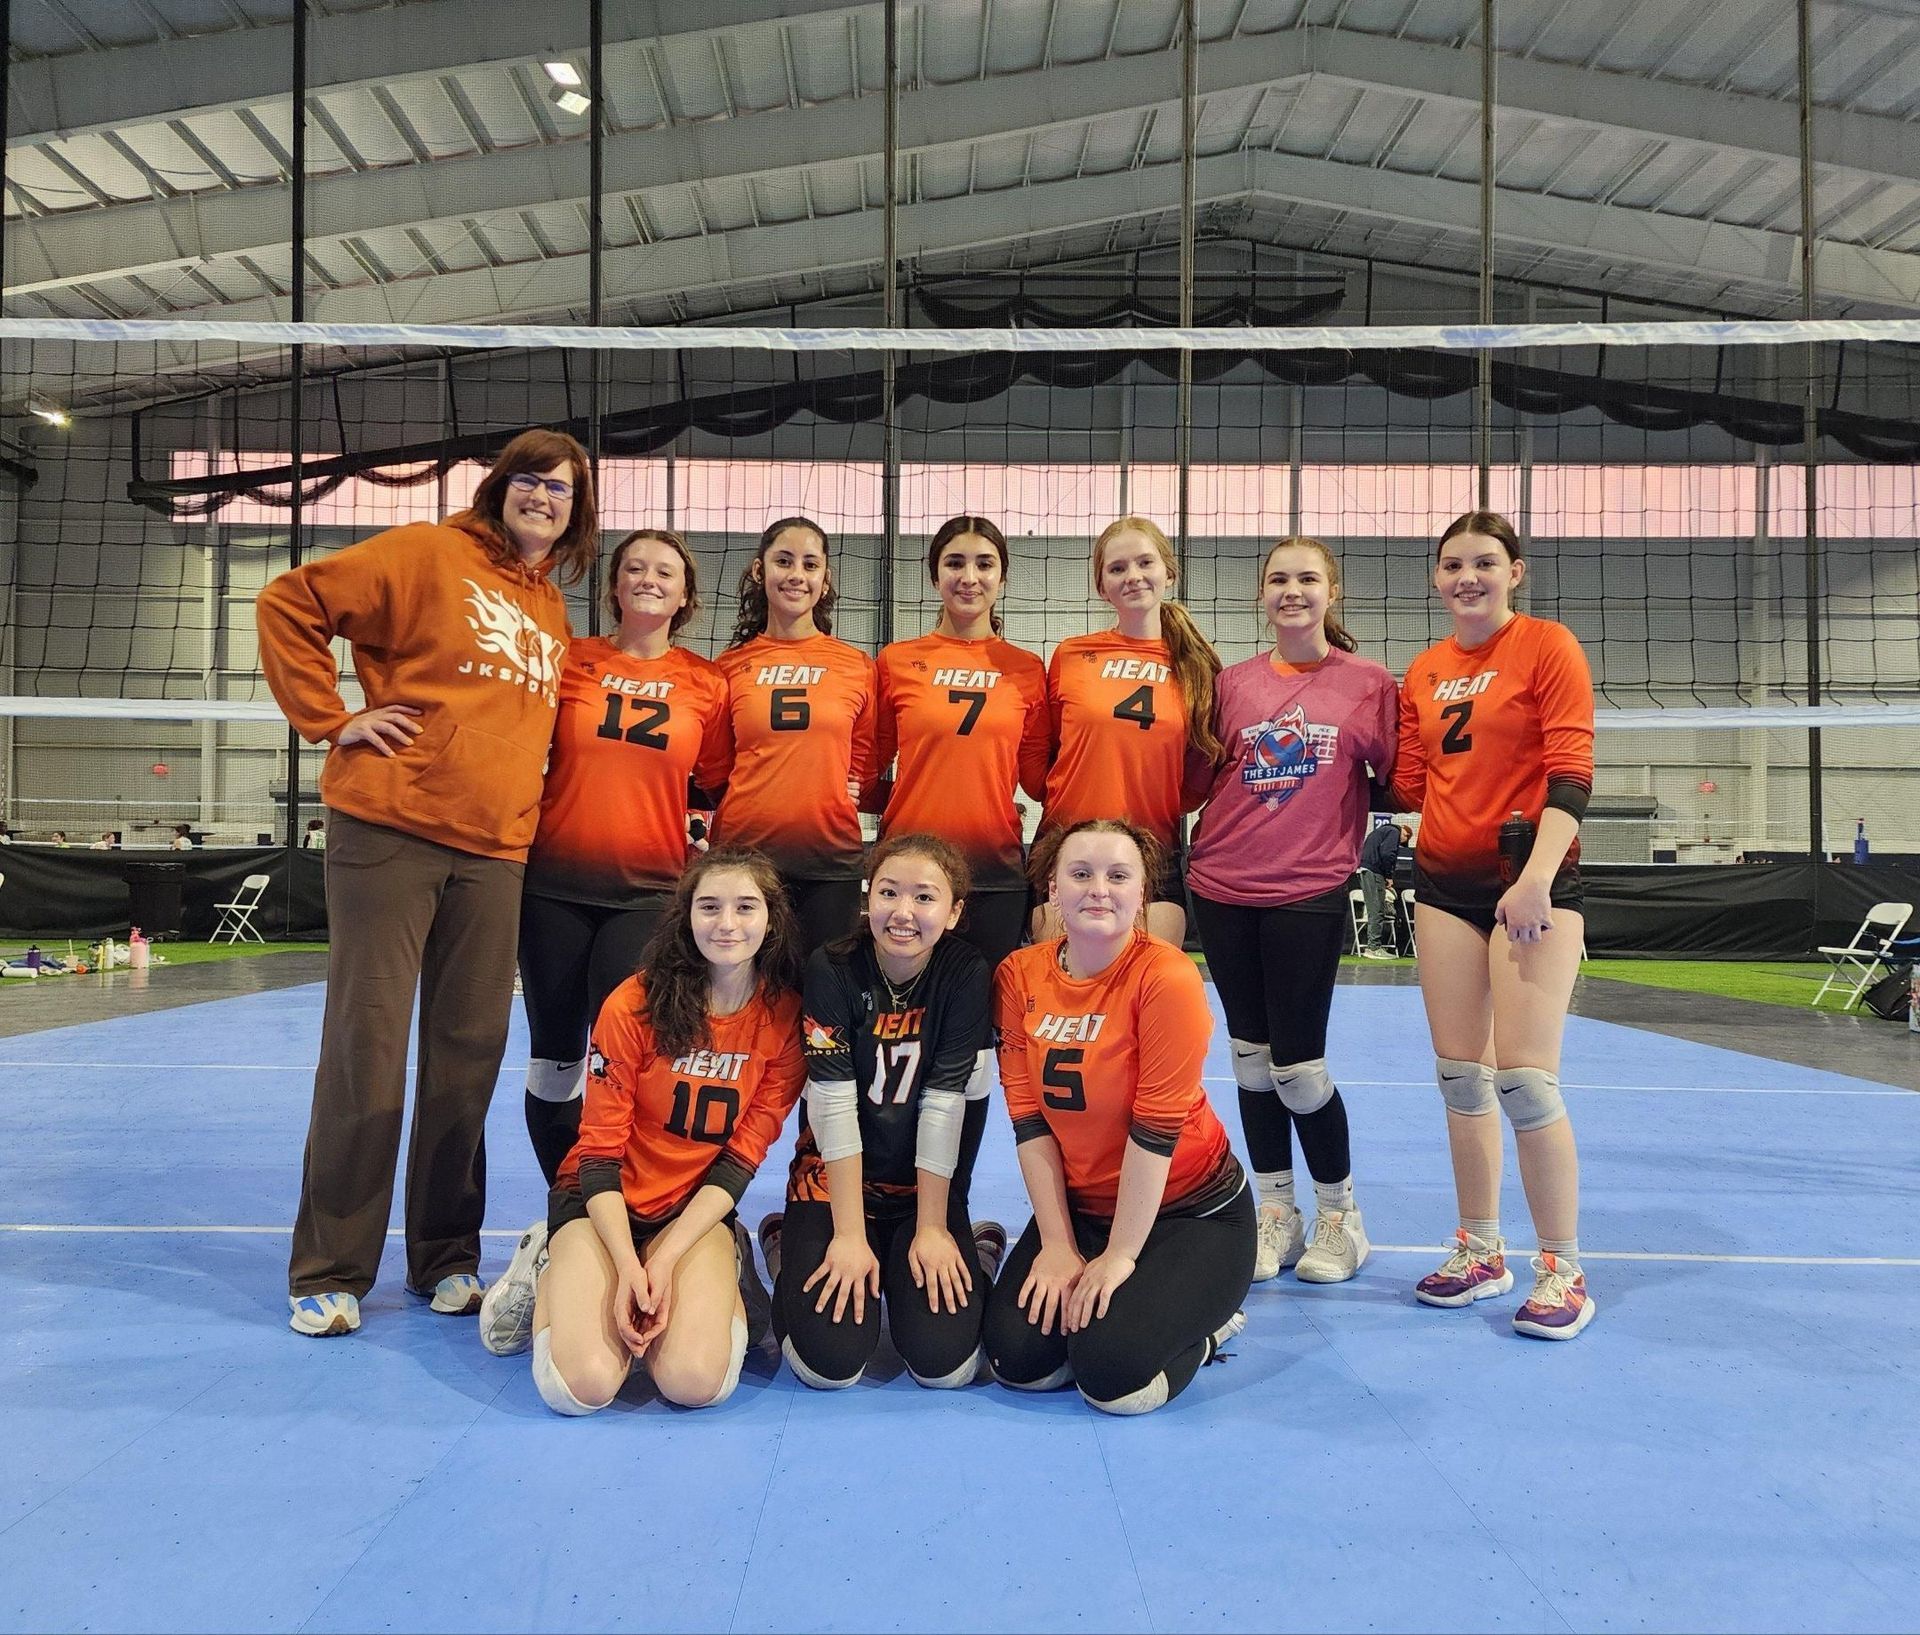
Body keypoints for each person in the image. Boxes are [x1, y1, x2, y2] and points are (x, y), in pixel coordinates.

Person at [256, 427, 591, 1338]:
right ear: (500, 486)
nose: (543, 497)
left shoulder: (551, 609)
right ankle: (330, 1267)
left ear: (576, 510)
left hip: (496, 852)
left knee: (469, 1053)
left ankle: (445, 1255)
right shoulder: (424, 551)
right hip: (393, 828)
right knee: (367, 1043)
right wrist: (332, 718)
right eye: (530, 480)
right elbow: (291, 600)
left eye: (562, 489)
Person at [1394, 510, 1596, 1341]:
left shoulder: (1549, 645)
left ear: (1518, 571)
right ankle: (1480, 1246)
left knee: (1524, 1079)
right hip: (1444, 885)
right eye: (1451, 565)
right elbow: (1413, 778)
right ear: (1437, 580)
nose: (1466, 576)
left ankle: (1563, 1267)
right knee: (1460, 1075)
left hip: (1531, 885)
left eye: (1484, 562)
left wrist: (1538, 878)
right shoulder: (1425, 668)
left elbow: (1572, 772)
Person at [985, 819, 1255, 1415]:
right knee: (1017, 1365)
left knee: (1113, 1380)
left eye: (1118, 876)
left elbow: (1154, 1131)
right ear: (1052, 889)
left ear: (1142, 894)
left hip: (1191, 1211)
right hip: (1085, 1212)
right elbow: (1028, 1120)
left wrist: (1120, 1257)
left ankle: (1208, 1326)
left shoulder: (1165, 976)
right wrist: (1057, 1243)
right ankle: (1126, 1296)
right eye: (1079, 874)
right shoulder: (1019, 975)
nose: (1098, 890)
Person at [525, 849, 806, 1414]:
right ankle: (544, 1264)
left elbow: (742, 1159)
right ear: (686, 917)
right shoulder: (632, 1005)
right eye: (710, 906)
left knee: (693, 1382)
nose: (727, 923)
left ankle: (721, 1260)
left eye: (745, 907)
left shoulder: (784, 1018)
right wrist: (629, 1265)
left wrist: (666, 1258)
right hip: (600, 1201)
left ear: (770, 920)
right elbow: (599, 1153)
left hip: (692, 1211)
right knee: (582, 1388)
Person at [1187, 537, 1399, 1285]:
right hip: (1221, 886)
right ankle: (1276, 1211)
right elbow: (1199, 780)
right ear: (1261, 594)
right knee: (1248, 1064)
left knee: (1298, 1067)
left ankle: (1342, 1214)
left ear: (1332, 591)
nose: (1293, 590)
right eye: (1278, 578)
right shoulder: (1231, 684)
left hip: (1307, 891)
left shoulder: (1368, 683)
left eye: (1308, 577)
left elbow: (1399, 779)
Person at [507, 530, 729, 1189]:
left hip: (647, 894)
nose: (648, 578)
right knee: (554, 1056)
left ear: (686, 593)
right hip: (553, 887)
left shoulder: (705, 683)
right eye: (634, 566)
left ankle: (629, 1195)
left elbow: (715, 781)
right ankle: (569, 1202)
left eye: (665, 570)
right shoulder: (571, 661)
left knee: (625, 1056)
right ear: (613, 585)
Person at [760, 833, 999, 1391]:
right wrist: (846, 1235)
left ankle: (973, 1251)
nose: (904, 912)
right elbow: (833, 1105)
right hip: (835, 1183)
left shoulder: (964, 973)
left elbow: (944, 1105)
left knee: (946, 1365)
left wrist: (935, 1228)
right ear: (868, 898)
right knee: (828, 1366)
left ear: (955, 911)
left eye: (925, 897)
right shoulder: (833, 967)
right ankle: (785, 1253)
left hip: (919, 1189)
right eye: (888, 892)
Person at [869, 516, 1049, 972]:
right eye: (955, 563)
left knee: (990, 1016)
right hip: (910, 868)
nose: (969, 578)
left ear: (1002, 577)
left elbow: (1040, 780)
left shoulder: (1027, 669)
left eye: (984, 564)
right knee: (905, 1016)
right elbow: (867, 765)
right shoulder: (897, 661)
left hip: (993, 869)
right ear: (935, 576)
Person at [1035, 517, 1221, 945]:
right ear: (1102, 586)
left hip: (1152, 848)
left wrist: (1151, 795)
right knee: (1064, 989)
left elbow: (1200, 769)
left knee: (1143, 993)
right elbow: (1044, 750)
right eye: (1117, 569)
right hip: (1067, 842)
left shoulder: (1197, 667)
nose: (1132, 576)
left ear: (1168, 572)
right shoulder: (1072, 655)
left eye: (1144, 563)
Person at [708, 517, 876, 953]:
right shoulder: (729, 666)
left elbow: (863, 754)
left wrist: (844, 782)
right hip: (744, 857)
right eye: (784, 561)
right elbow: (716, 767)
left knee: (822, 999)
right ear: (759, 571)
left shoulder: (856, 664)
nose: (796, 575)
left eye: (810, 564)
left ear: (825, 579)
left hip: (829, 858)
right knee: (746, 995)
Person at [1357, 819, 1412, 958]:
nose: (1400, 844)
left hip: (1366, 869)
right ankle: (1374, 948)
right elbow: (1388, 854)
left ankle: (1372, 946)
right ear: (1405, 834)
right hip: (1374, 872)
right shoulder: (1394, 832)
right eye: (1402, 842)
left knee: (1373, 909)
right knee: (1377, 909)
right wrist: (1389, 875)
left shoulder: (1381, 831)